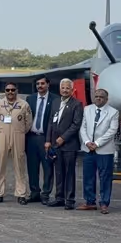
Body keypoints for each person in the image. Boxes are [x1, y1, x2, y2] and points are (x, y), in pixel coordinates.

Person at [79, 88, 119, 213]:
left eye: (101, 97)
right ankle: (90, 201)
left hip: (104, 150)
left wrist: (96, 143)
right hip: (88, 149)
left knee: (105, 177)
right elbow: (83, 127)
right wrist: (86, 142)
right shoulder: (87, 109)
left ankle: (104, 203)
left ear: (106, 99)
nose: (98, 98)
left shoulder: (113, 112)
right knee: (88, 176)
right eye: (96, 96)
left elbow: (112, 131)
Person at [0, 83, 33, 204]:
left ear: (17, 90)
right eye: (8, 90)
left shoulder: (24, 105)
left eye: (13, 90)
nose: (10, 92)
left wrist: (19, 131)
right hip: (2, 135)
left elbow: (28, 123)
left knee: (19, 164)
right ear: (5, 91)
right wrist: (1, 130)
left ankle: (21, 194)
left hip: (18, 135)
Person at [46, 78, 83, 210]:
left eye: (68, 88)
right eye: (63, 88)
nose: (65, 90)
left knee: (69, 173)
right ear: (60, 89)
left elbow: (76, 124)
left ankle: (70, 200)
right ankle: (59, 198)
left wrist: (63, 138)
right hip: (55, 144)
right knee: (59, 172)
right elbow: (51, 121)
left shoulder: (77, 104)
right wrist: (48, 140)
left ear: (72, 90)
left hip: (69, 145)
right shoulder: (56, 102)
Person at [26, 76, 58, 203]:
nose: (40, 86)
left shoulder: (55, 99)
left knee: (48, 168)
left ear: (48, 85)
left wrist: (50, 140)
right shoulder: (31, 98)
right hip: (32, 137)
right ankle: (34, 193)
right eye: (38, 84)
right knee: (32, 167)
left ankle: (45, 194)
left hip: (46, 138)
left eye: (42, 83)